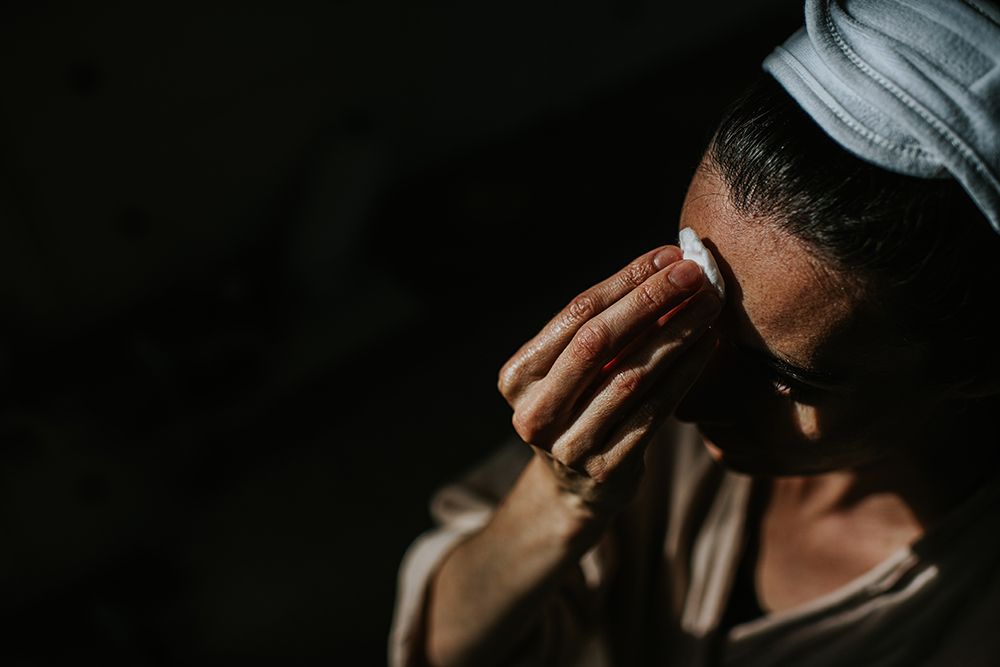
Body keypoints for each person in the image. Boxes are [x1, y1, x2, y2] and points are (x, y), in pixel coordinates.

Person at [389, 1, 1000, 665]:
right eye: (694, 304)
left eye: (786, 376)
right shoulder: (648, 400)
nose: (692, 402)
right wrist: (559, 499)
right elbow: (445, 647)